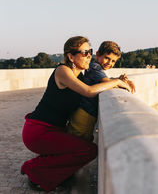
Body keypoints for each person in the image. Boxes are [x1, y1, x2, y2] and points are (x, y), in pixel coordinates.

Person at [21, 36, 132, 192]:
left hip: (54, 129)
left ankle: (43, 171)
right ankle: (32, 169)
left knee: (79, 148)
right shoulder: (63, 71)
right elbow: (89, 91)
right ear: (71, 56)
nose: (88, 56)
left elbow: (95, 81)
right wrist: (117, 83)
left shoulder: (80, 75)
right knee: (88, 150)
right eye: (84, 52)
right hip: (38, 131)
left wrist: (116, 78)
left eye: (90, 52)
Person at [67, 40, 135, 141]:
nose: (109, 63)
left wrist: (119, 80)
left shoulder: (96, 68)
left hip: (85, 114)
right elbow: (107, 82)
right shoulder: (95, 67)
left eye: (113, 61)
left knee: (80, 143)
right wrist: (121, 83)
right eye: (107, 58)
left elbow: (106, 80)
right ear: (98, 54)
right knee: (76, 144)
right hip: (84, 116)